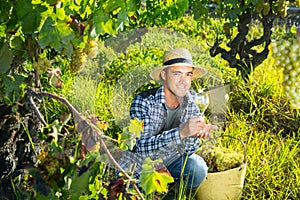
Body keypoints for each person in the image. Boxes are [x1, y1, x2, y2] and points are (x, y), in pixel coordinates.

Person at [119, 48, 217, 196]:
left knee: (197, 169)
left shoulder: (192, 101)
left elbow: (188, 152)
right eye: (177, 73)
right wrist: (181, 132)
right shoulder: (144, 101)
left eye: (188, 75)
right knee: (130, 191)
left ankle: (170, 194)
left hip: (171, 160)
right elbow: (140, 147)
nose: (184, 81)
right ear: (164, 75)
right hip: (141, 164)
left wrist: (194, 136)